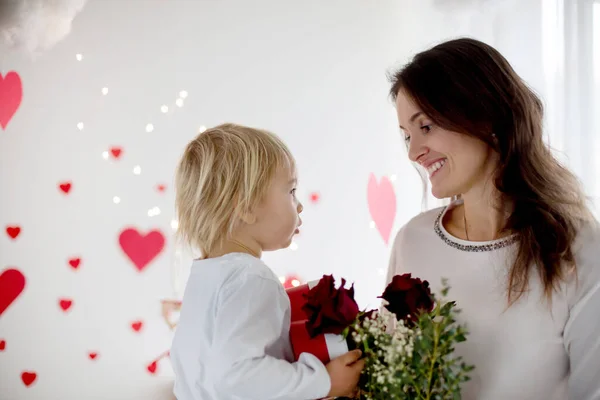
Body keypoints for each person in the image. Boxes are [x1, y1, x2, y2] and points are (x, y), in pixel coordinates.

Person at [385, 38, 600, 400]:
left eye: (425, 127)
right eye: (406, 135)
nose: (413, 152)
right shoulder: (413, 241)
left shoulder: (579, 248)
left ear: (484, 115)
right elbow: (393, 378)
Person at [170, 123, 364, 400]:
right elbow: (239, 377)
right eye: (291, 191)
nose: (299, 205)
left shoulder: (205, 275)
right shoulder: (252, 277)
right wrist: (325, 381)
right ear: (246, 207)